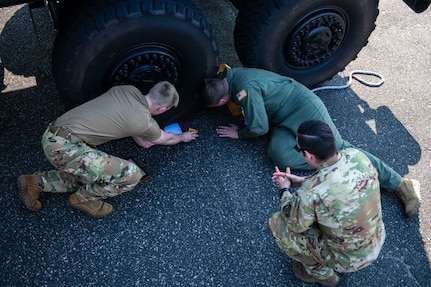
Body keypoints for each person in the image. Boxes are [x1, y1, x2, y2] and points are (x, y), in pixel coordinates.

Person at [200, 64, 420, 217]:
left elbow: (259, 127)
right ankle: (325, 165)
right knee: (277, 153)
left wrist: (238, 133)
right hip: (283, 116)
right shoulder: (228, 76)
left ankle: (400, 184)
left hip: (305, 109)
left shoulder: (244, 90)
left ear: (222, 99)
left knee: (338, 150)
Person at [18, 82, 198, 218]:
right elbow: (164, 138)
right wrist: (183, 137)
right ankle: (83, 199)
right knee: (131, 174)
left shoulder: (129, 90)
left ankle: (36, 182)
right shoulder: (145, 122)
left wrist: (144, 132)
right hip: (65, 148)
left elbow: (133, 127)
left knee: (93, 173)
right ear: (162, 108)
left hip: (53, 134)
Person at [268, 120, 385, 287]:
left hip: (348, 260)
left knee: (276, 223)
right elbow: (334, 181)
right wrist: (303, 181)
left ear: (307, 155)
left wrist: (284, 190)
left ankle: (322, 274)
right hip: (376, 238)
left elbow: (295, 224)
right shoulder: (356, 155)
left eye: (298, 150)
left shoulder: (311, 192)